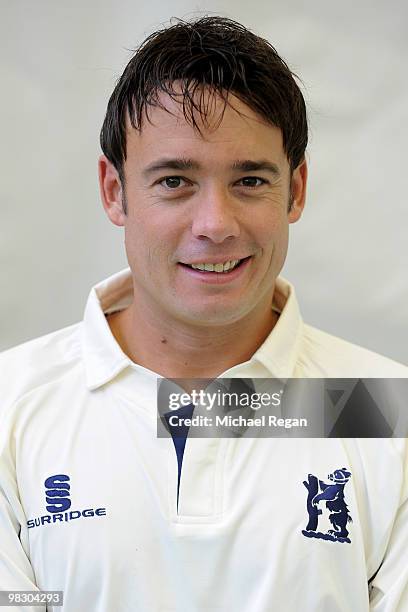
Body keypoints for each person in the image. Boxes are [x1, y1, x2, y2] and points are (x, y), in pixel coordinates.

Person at [0, 16, 407, 612]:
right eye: (174, 181)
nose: (215, 224)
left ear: (295, 190)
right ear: (114, 190)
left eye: (249, 180)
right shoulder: (9, 406)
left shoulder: (388, 412)